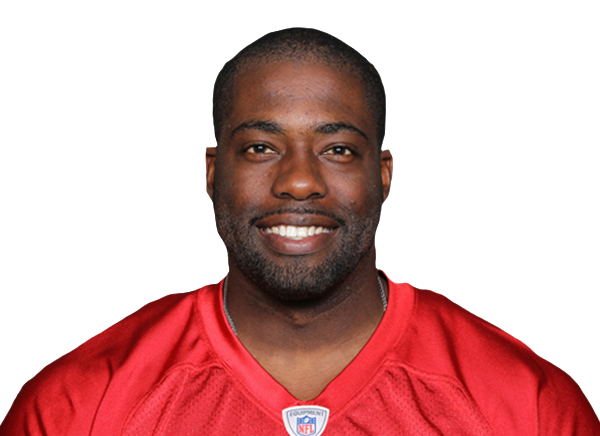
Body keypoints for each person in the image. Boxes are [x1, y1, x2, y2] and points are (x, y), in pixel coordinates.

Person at [1, 27, 599, 436]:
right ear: (213, 174)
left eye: (337, 149)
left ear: (383, 175)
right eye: (261, 147)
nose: (299, 181)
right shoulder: (77, 407)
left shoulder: (528, 406)